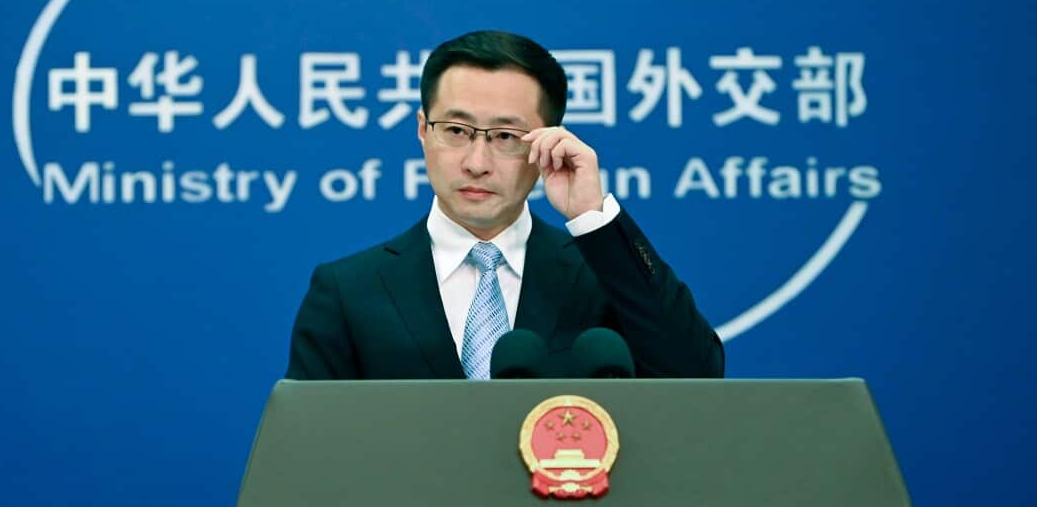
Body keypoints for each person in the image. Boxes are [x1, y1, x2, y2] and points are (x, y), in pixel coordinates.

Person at [286, 31, 724, 379]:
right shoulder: (348, 290)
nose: (477, 163)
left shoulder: (601, 275)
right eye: (456, 130)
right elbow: (311, 454)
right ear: (423, 130)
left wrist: (593, 218)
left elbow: (696, 373)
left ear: (549, 142)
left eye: (506, 137)